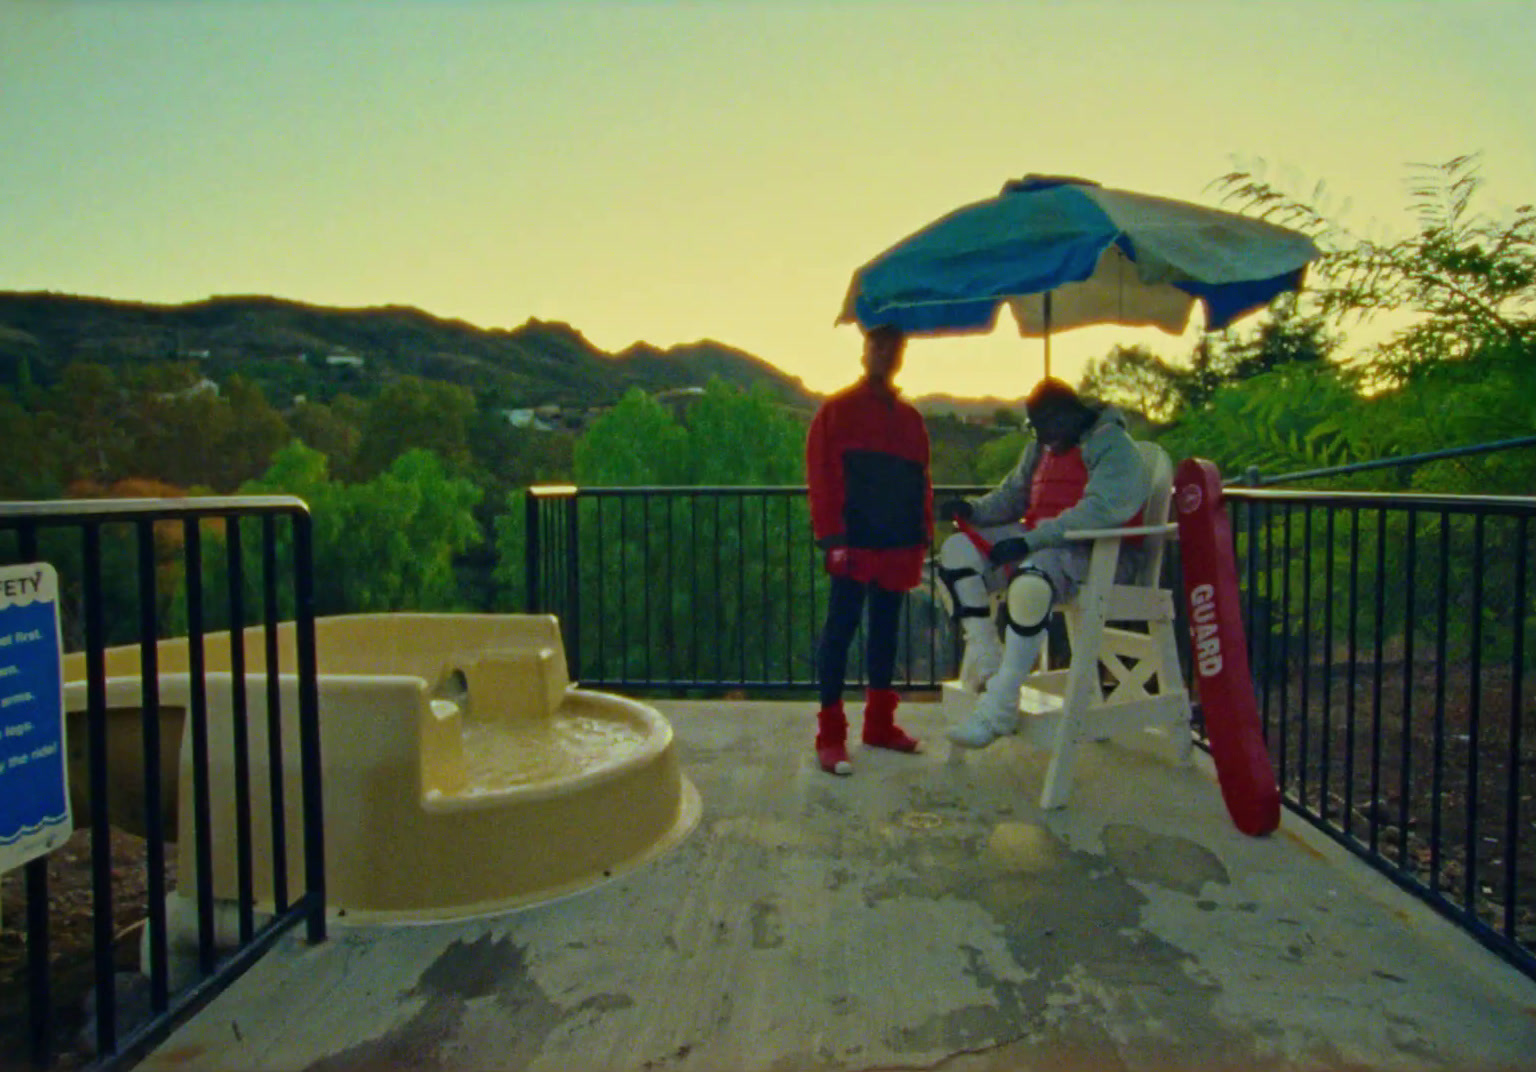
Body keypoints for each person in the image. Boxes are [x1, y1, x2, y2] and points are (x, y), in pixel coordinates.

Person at [936, 377, 1150, 749]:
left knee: (1031, 582)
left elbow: (1098, 512)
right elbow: (1014, 497)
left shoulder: (1114, 446)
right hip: (1041, 545)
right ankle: (990, 662)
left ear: (1066, 414)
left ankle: (999, 706)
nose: (1040, 435)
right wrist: (971, 510)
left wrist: (1029, 542)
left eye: (1042, 425)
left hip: (1098, 556)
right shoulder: (1042, 448)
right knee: (956, 553)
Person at [805, 324, 933, 775]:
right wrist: (833, 540)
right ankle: (830, 735)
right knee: (839, 632)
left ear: (900, 355)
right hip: (855, 543)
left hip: (898, 543)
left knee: (885, 633)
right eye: (879, 345)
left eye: (894, 347)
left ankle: (879, 725)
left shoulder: (911, 421)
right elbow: (820, 477)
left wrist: (923, 532)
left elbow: (921, 481)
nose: (887, 354)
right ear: (865, 351)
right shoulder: (836, 411)